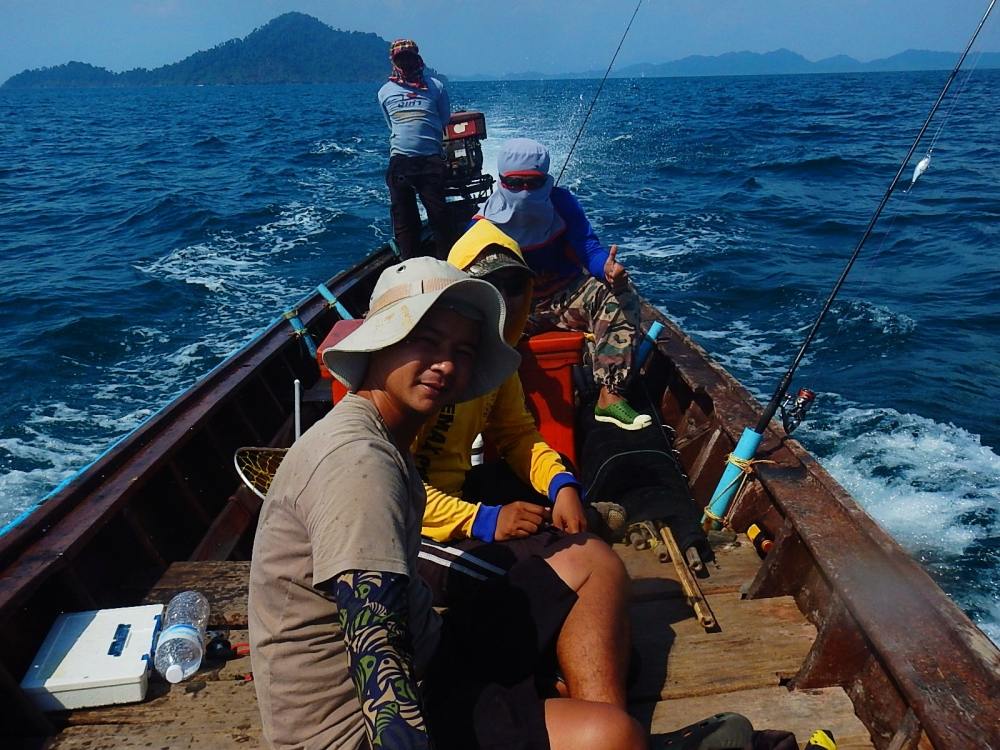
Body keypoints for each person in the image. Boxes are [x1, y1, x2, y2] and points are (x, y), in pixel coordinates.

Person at [248, 257, 645, 750]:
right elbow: (378, 651)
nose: (446, 364)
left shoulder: (383, 433)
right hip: (358, 728)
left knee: (591, 561)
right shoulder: (360, 465)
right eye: (425, 340)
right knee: (611, 738)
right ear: (381, 342)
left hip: (431, 651)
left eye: (463, 350)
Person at [474, 137, 653, 430]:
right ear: (501, 180)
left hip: (566, 294)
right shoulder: (482, 224)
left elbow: (587, 247)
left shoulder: (563, 203)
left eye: (532, 184)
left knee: (621, 294)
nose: (523, 191)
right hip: (519, 309)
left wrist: (606, 269)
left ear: (546, 180)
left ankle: (610, 395)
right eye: (514, 183)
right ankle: (481, 407)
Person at [377, 39, 452, 260]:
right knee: (404, 219)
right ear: (394, 61)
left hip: (430, 161)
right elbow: (392, 125)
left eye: (409, 57)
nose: (406, 62)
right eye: (401, 58)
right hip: (400, 162)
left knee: (439, 215)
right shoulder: (384, 92)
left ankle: (446, 263)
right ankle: (410, 264)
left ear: (417, 58)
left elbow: (444, 118)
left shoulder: (435, 87)